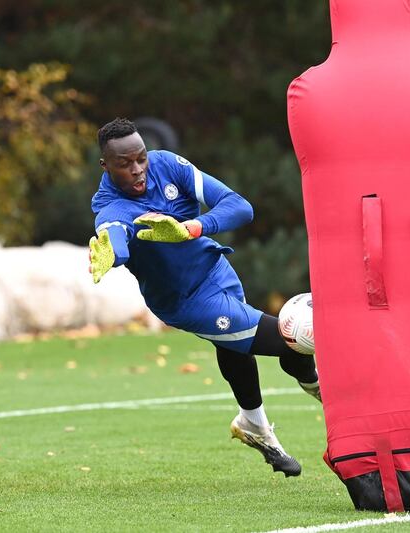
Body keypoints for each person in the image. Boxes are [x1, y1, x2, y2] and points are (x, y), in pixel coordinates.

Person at [88, 117, 320, 477]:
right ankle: (312, 380)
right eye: (124, 163)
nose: (137, 170)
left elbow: (240, 206)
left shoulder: (167, 164)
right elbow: (113, 235)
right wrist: (112, 252)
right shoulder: (110, 206)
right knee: (292, 339)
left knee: (234, 347)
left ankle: (253, 425)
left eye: (140, 158)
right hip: (187, 301)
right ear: (105, 165)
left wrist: (193, 227)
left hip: (215, 270)